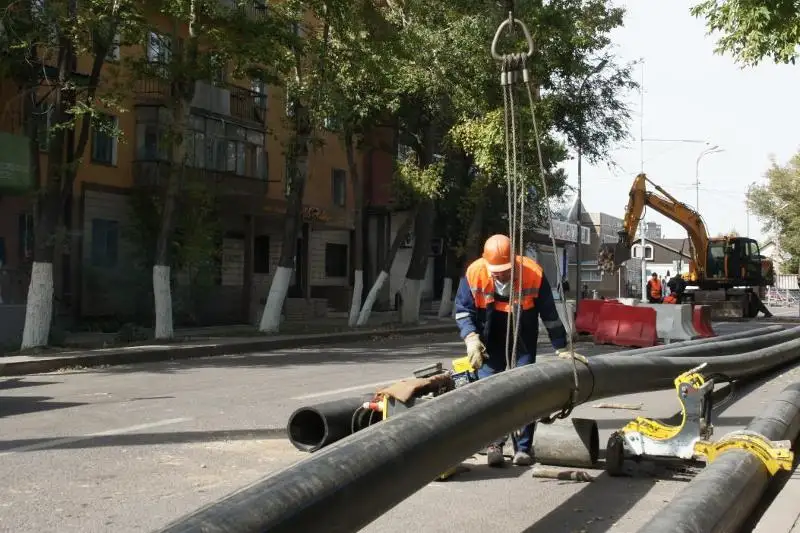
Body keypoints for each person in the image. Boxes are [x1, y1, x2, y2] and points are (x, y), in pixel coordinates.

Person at [454, 234, 581, 467]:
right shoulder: (475, 273)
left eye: (505, 269)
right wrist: (471, 338)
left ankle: (523, 447)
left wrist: (561, 346)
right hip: (489, 337)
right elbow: (463, 310)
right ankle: (494, 444)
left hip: (522, 334)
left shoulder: (532, 273)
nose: (500, 274)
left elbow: (550, 315)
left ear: (514, 262)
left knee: (525, 390)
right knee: (491, 391)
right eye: (496, 269)